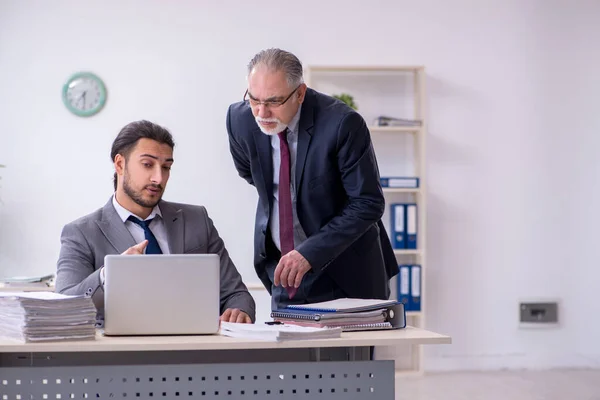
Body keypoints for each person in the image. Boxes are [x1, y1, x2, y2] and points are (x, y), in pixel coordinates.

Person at [226, 48, 399, 309]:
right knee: (286, 350)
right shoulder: (239, 120)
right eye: (254, 99)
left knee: (347, 352)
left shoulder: (342, 124)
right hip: (282, 273)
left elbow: (367, 202)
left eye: (273, 101)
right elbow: (251, 174)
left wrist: (310, 252)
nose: (261, 113)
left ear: (300, 94)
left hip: (345, 272)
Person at [56, 120, 255, 324]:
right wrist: (109, 275)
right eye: (148, 165)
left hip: (194, 348)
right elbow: (63, 308)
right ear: (120, 164)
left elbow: (237, 294)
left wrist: (238, 310)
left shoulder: (197, 220)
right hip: (120, 351)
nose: (158, 178)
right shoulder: (81, 233)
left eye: (166, 167)